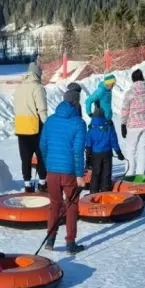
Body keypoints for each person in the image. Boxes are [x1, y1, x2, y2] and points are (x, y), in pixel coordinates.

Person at [39, 83, 87, 254]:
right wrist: (80, 175)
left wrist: (49, 165)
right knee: (71, 205)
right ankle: (70, 243)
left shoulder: (50, 120)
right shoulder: (79, 123)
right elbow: (78, 151)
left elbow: (43, 145)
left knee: (54, 204)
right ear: (77, 103)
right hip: (69, 172)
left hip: (52, 171)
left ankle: (50, 240)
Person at [12, 63, 48, 192]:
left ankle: (27, 185)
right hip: (36, 127)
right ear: (37, 74)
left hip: (21, 127)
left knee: (25, 159)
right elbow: (42, 109)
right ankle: (42, 184)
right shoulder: (38, 88)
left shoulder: (18, 88)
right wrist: (47, 125)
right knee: (41, 156)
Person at [120, 68, 145, 181]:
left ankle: (129, 175)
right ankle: (140, 174)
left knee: (131, 150)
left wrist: (123, 124)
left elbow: (125, 110)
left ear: (133, 80)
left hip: (132, 126)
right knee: (143, 150)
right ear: (142, 78)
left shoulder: (129, 94)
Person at [85, 100, 123, 193]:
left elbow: (88, 144)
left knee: (95, 174)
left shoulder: (91, 129)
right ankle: (105, 191)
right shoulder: (109, 128)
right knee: (106, 174)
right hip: (107, 154)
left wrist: (88, 157)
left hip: (95, 154)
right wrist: (119, 153)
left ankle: (93, 192)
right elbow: (114, 141)